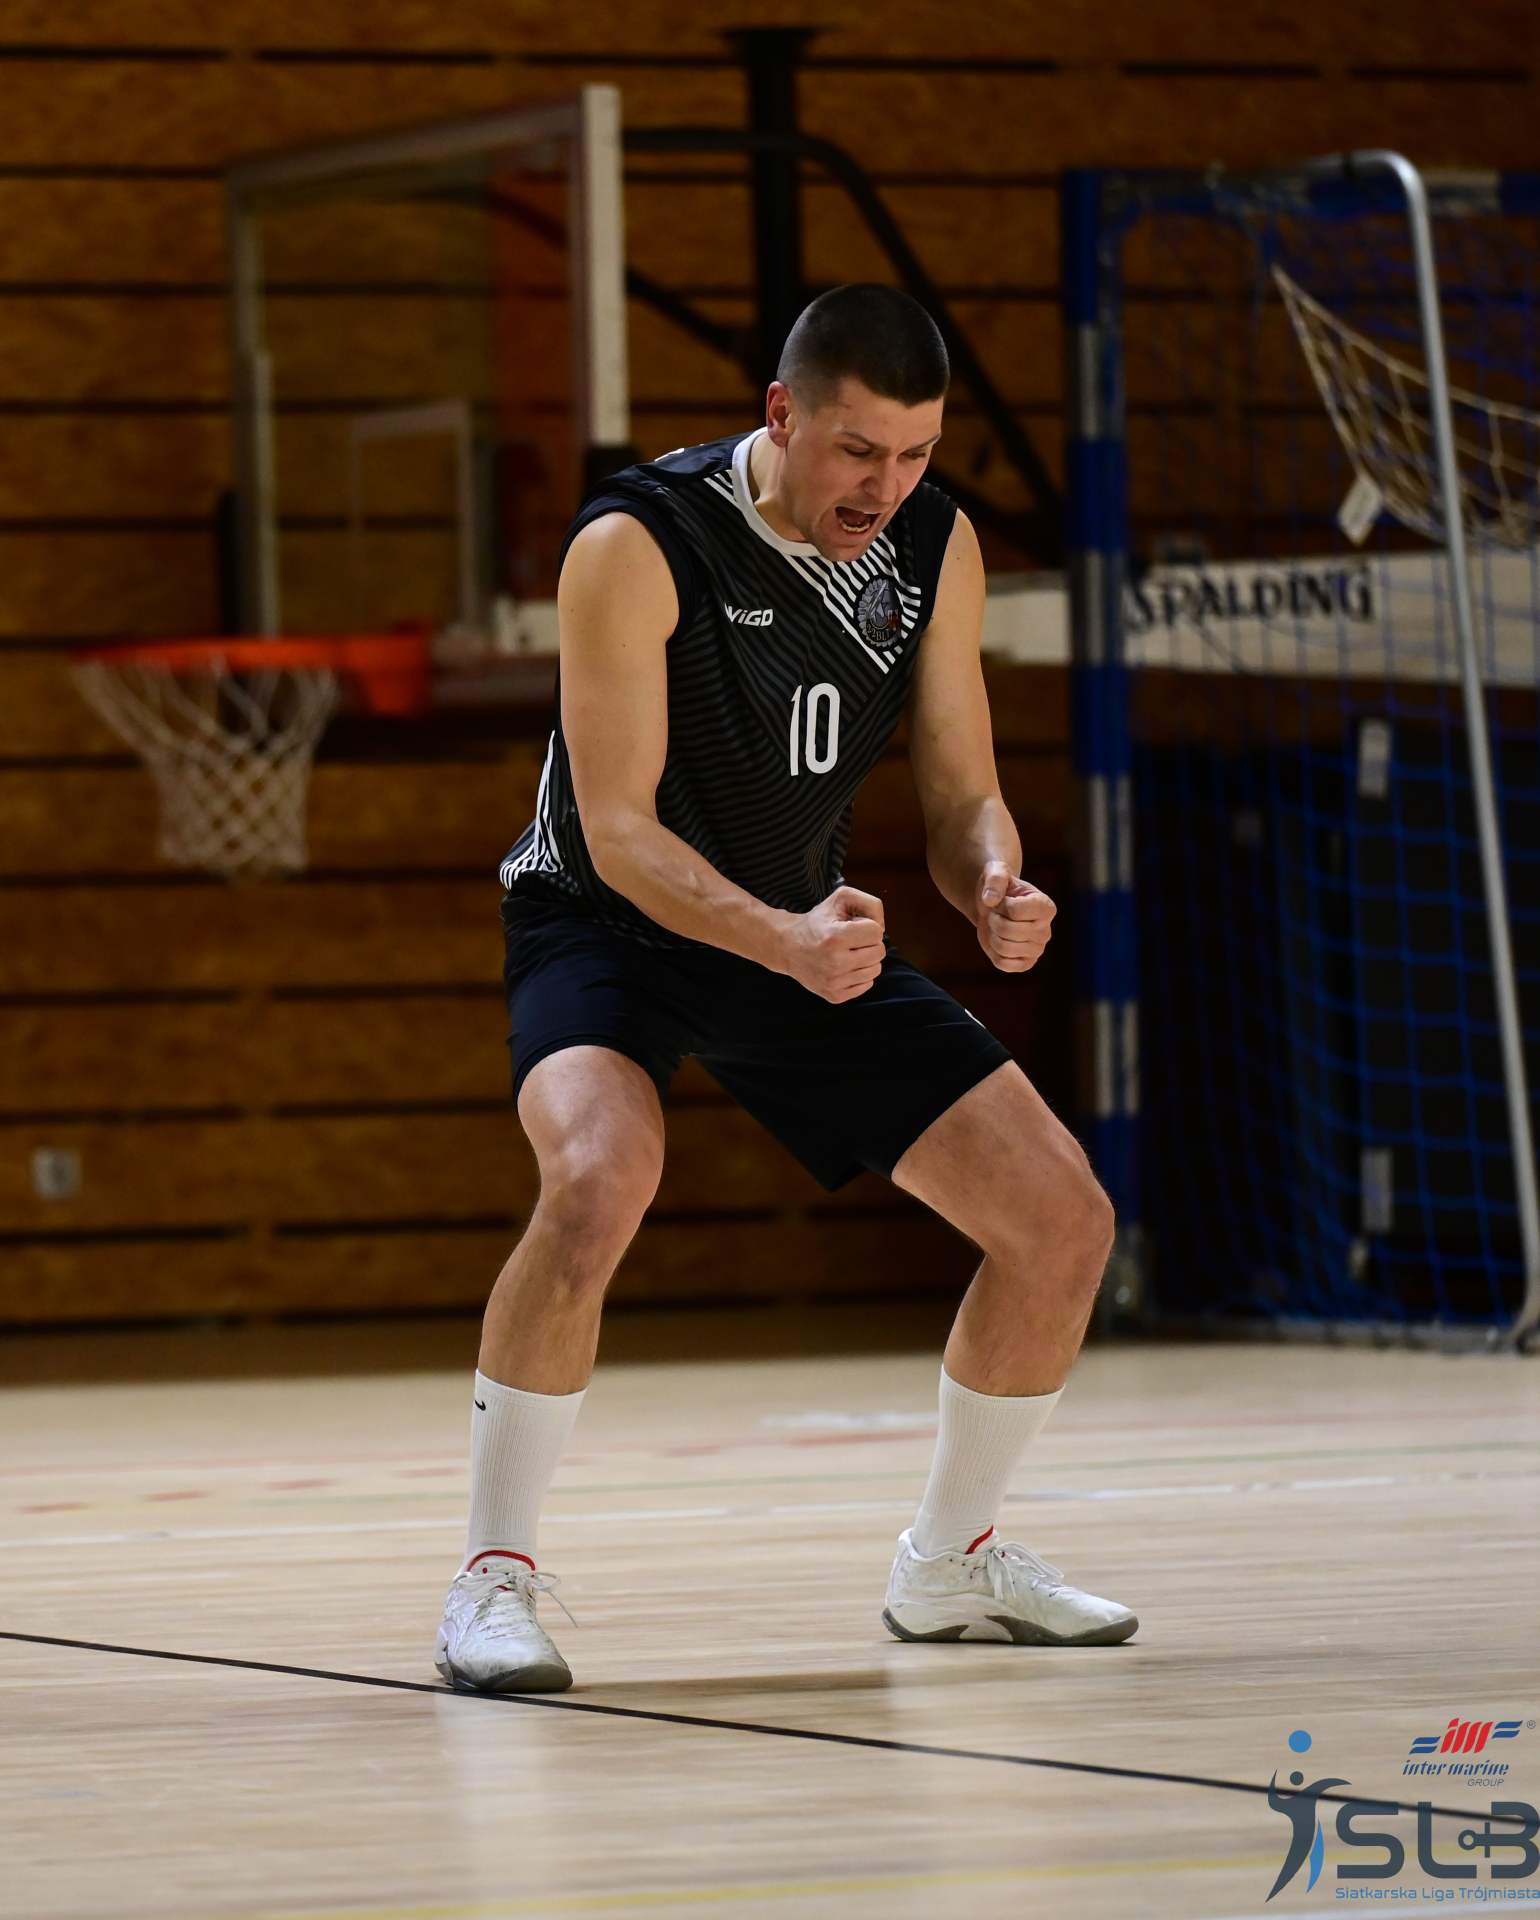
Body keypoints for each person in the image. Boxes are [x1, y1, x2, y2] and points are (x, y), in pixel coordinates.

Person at [434, 283, 1135, 1694]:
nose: (886, 486)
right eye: (858, 451)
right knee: (598, 1178)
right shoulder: (639, 542)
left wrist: (992, 878)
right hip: (606, 924)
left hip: (797, 932)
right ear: (782, 415)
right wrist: (783, 939)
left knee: (1063, 1219)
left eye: (916, 455)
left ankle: (950, 1562)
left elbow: (961, 790)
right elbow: (619, 832)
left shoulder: (933, 545)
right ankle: (489, 1581)